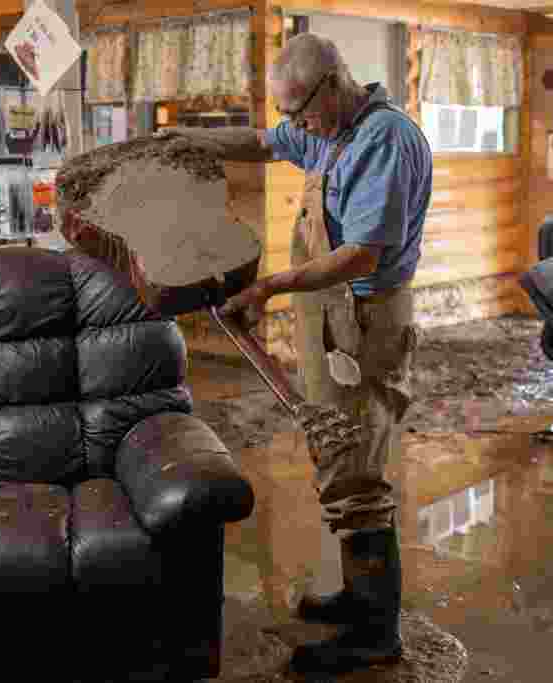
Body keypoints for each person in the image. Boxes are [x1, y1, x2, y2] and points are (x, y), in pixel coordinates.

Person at [157, 32, 432, 673]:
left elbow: (362, 253)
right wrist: (186, 143)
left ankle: (375, 633)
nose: (292, 126)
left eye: (299, 111)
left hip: (364, 321)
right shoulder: (327, 130)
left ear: (334, 84)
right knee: (333, 450)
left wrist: (270, 286)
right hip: (326, 316)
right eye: (287, 113)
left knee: (356, 464)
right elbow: (262, 141)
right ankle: (359, 599)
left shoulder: (382, 140)